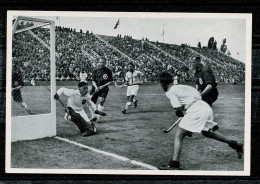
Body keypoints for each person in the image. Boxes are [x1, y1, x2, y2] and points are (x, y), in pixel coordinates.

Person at [158, 72, 243, 170]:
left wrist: (180, 111)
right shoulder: (184, 87)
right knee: (206, 132)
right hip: (204, 107)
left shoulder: (170, 91)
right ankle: (236, 144)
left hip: (196, 110)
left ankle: (174, 164)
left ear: (163, 83)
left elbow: (177, 106)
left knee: (179, 134)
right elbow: (198, 96)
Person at [89, 57, 113, 122]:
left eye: (103, 62)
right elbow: (93, 80)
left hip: (104, 88)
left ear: (105, 63)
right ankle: (93, 116)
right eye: (100, 62)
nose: (101, 63)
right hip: (95, 88)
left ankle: (99, 117)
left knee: (102, 100)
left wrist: (102, 86)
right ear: (98, 62)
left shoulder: (108, 71)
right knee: (91, 102)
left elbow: (110, 81)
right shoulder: (95, 70)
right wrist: (96, 87)